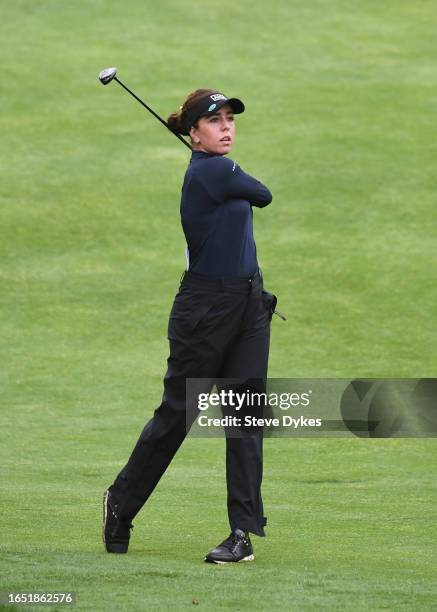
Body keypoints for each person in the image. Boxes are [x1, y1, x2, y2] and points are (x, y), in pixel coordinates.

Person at [102, 88, 281, 563]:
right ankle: (121, 501)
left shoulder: (215, 170)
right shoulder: (215, 170)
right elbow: (263, 194)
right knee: (179, 414)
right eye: (214, 121)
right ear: (193, 134)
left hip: (247, 304)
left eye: (229, 119)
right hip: (204, 310)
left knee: (245, 418)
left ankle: (242, 533)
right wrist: (222, 168)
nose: (226, 127)